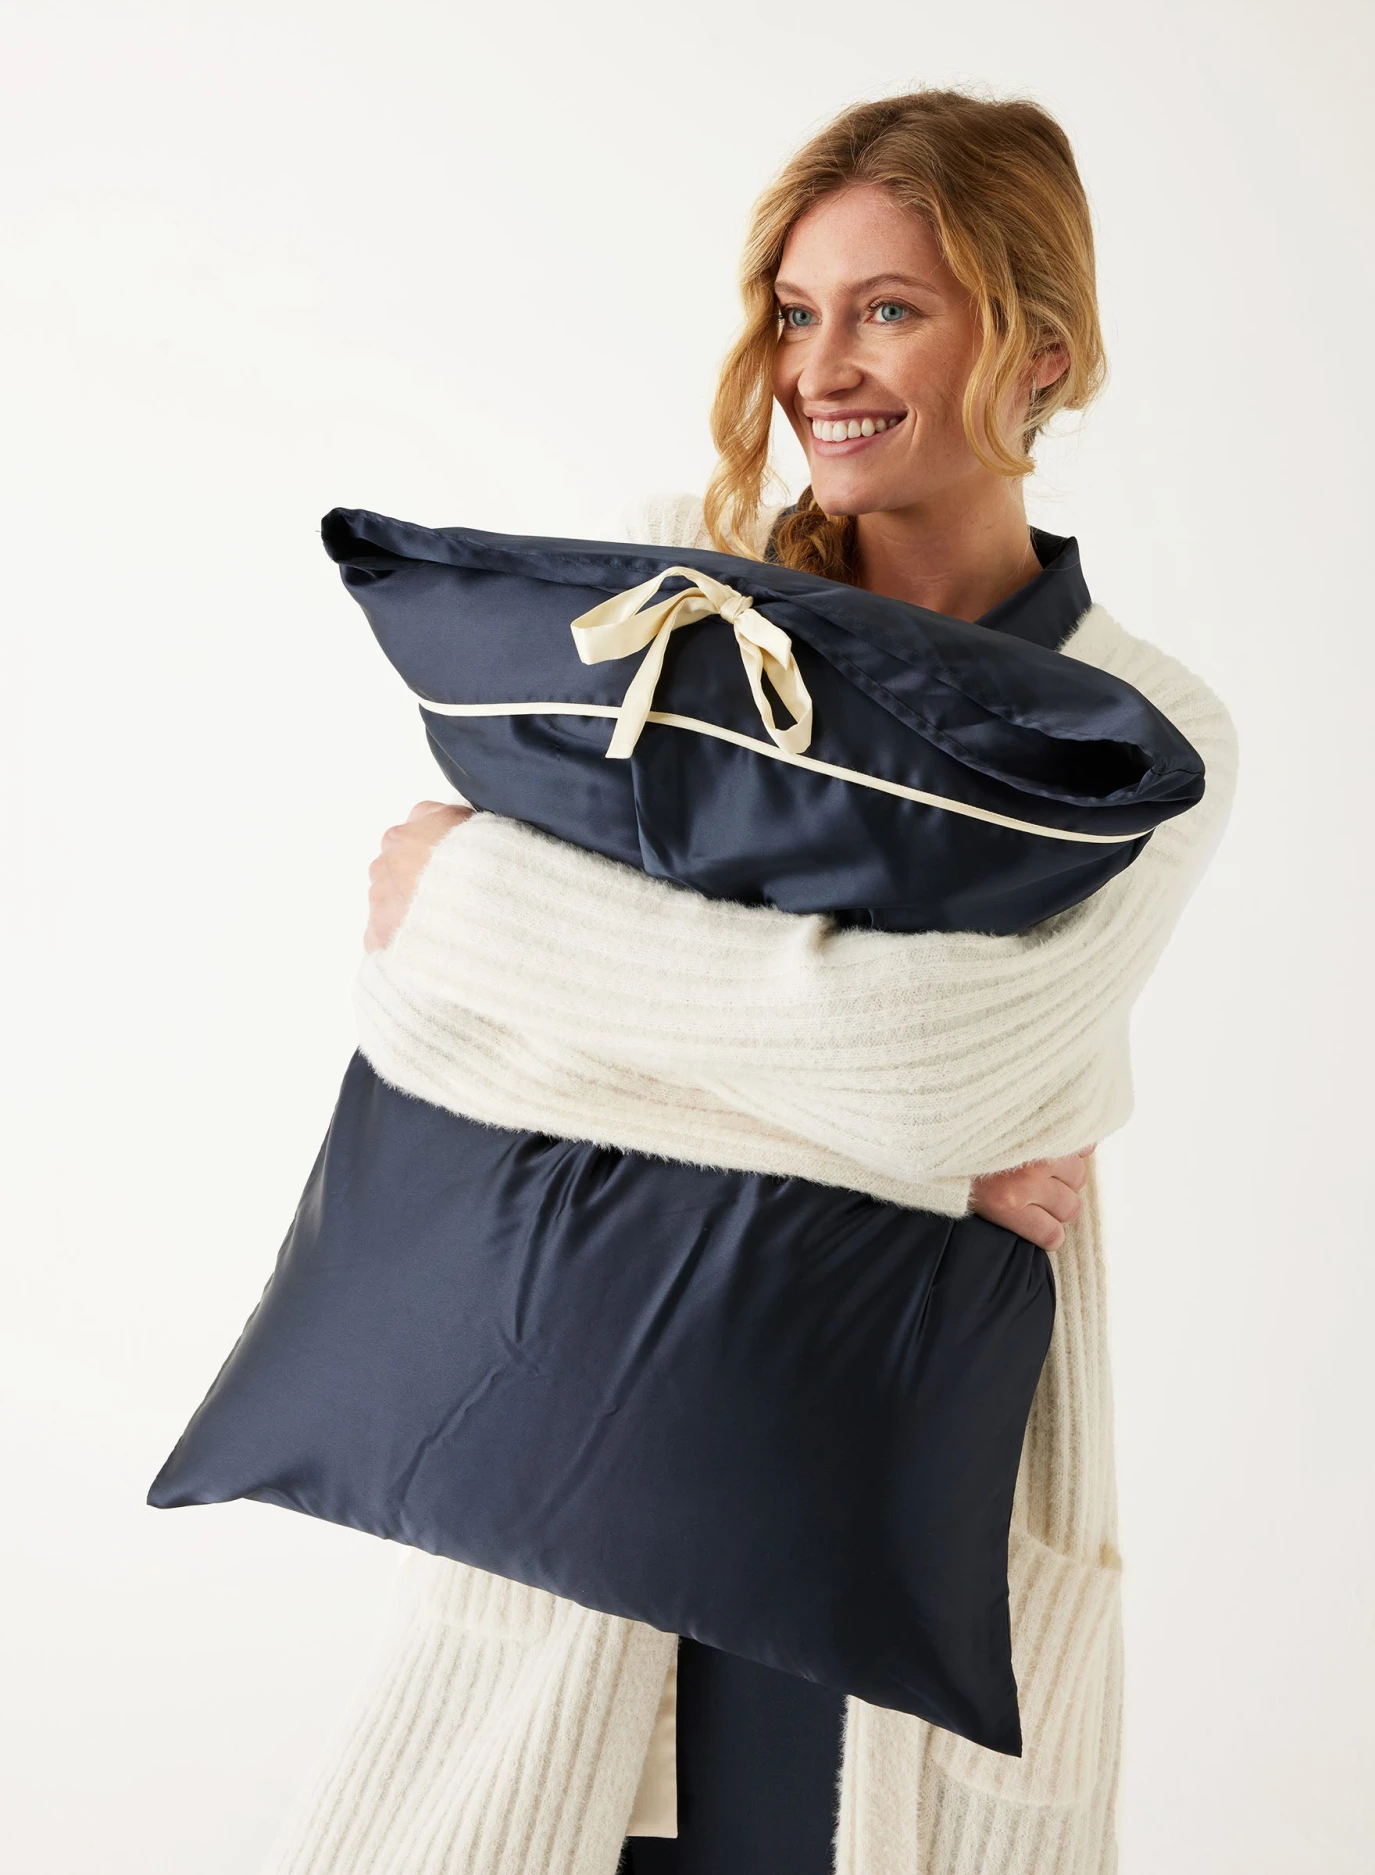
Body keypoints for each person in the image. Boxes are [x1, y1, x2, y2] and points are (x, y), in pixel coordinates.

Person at [267, 89, 1236, 1875]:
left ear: (1040, 347)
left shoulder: (1142, 733)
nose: (820, 369)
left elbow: (939, 1069)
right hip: (600, 1483)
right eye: (797, 312)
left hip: (903, 1517)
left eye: (889, 308)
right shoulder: (673, 619)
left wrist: (498, 906)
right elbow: (431, 1027)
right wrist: (925, 1174)